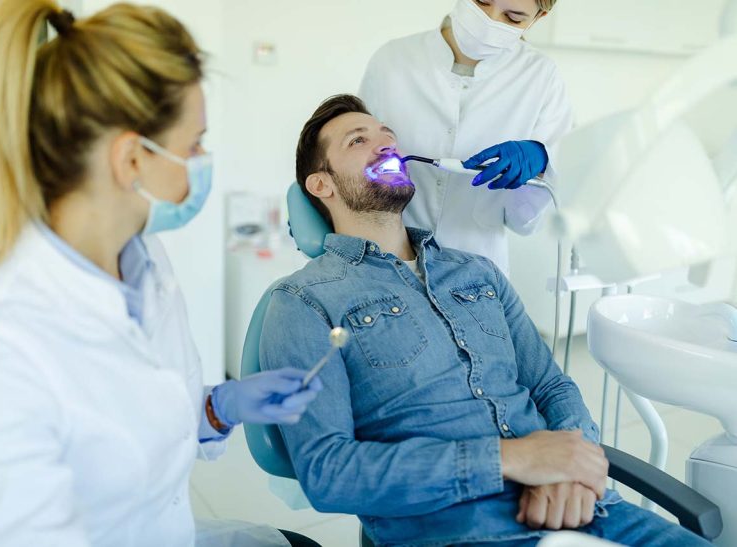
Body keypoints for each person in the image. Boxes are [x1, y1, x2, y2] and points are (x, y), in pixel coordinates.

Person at [259, 94, 711, 546]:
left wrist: (572, 469)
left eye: (389, 138)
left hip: (583, 506)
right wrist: (510, 459)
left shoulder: (476, 272)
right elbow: (329, 473)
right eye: (359, 140)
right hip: (458, 529)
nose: (386, 147)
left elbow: (551, 387)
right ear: (321, 185)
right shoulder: (302, 301)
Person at [0, 2, 321, 546]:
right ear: (131, 160)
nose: (202, 160)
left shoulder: (143, 258)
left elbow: (130, 428)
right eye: (193, 145)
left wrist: (217, 406)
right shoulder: (8, 349)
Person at [359, 0, 572, 276]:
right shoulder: (392, 60)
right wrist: (321, 208)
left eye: (513, 17)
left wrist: (541, 163)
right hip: (385, 262)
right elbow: (352, 162)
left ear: (539, 17)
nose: (489, 20)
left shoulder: (541, 77)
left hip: (477, 270)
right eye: (482, 1)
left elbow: (524, 222)